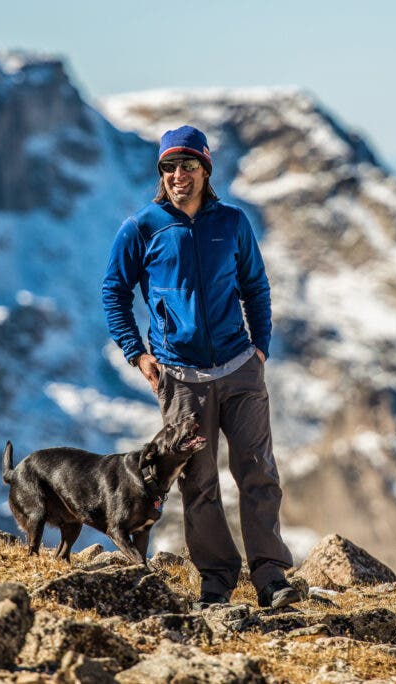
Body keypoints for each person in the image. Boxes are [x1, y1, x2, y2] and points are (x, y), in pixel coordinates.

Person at [102, 125, 299, 609]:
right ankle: (216, 580)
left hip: (240, 367)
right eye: (169, 167)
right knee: (198, 483)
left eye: (188, 165)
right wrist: (137, 353)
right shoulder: (142, 227)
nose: (178, 175)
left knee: (258, 473)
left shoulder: (232, 222)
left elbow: (256, 287)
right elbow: (114, 293)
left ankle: (271, 576)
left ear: (205, 170)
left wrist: (259, 349)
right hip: (180, 378)